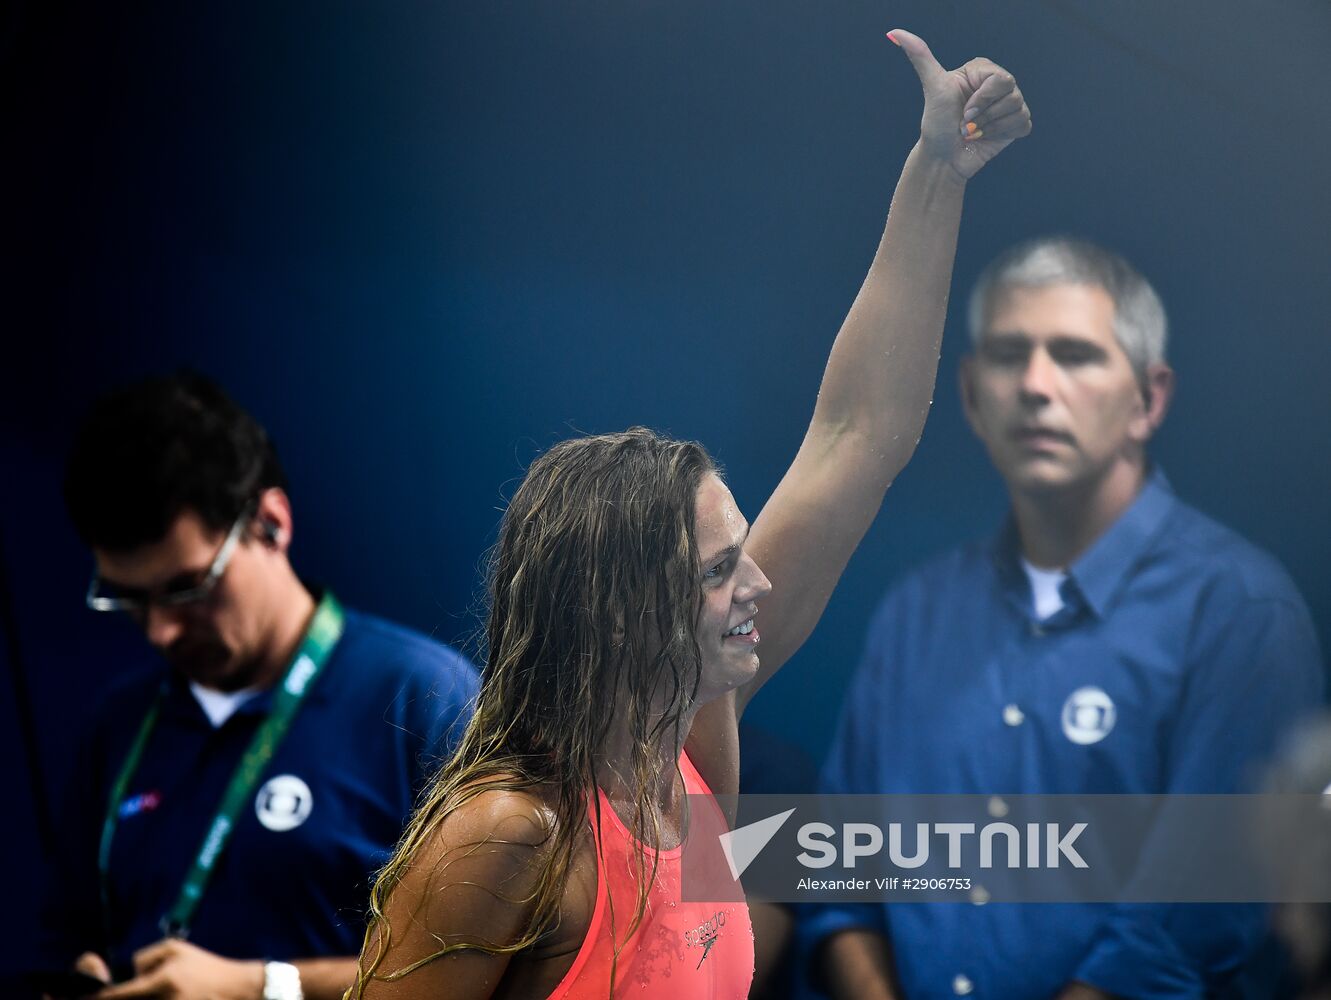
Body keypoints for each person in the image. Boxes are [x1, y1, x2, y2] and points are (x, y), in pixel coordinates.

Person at [350, 29, 1032, 1000]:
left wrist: (938, 168)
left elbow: (858, 433)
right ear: (622, 611)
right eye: (717, 570)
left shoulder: (689, 752)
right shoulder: (509, 832)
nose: (754, 580)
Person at [807, 237, 1327, 999]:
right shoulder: (916, 613)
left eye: (1076, 354)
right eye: (1009, 354)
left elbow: (1188, 926)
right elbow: (834, 873)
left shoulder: (1240, 614)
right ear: (968, 394)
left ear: (1148, 399)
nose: (1035, 385)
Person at [41, 372, 480, 1000]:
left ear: (271, 523)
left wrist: (265, 988)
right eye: (130, 600)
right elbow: (63, 938)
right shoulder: (118, 726)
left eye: (188, 587)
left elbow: (480, 971)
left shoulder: (425, 700)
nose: (162, 631)